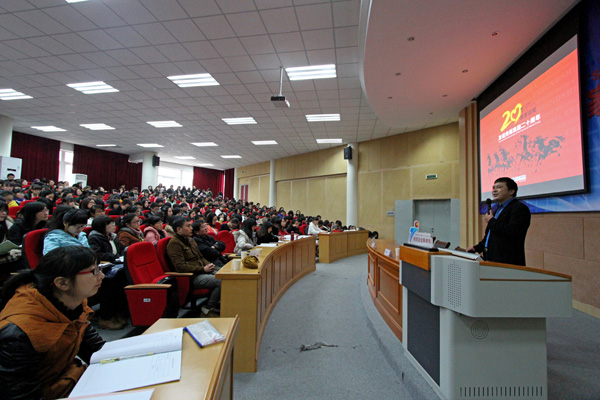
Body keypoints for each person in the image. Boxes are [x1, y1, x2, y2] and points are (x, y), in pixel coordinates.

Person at [0, 246, 106, 399]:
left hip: (70, 381)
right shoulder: (19, 333)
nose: (102, 276)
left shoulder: (73, 304)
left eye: (99, 268)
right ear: (62, 283)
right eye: (94, 271)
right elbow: (22, 394)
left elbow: (96, 350)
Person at [467, 177, 531, 266]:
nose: (494, 190)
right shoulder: (498, 209)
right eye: (493, 188)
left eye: (499, 187)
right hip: (491, 259)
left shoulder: (519, 208)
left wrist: (491, 221)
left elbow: (511, 231)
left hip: (507, 262)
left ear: (511, 191)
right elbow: (491, 235)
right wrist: (476, 248)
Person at [166, 217, 220, 316]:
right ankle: (207, 309)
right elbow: (180, 266)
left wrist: (208, 264)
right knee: (221, 281)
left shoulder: (190, 240)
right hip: (192, 276)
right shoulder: (174, 244)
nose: (191, 228)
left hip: (202, 270)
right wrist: (202, 269)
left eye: (191, 225)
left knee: (225, 275)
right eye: (188, 226)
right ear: (179, 229)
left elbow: (200, 257)